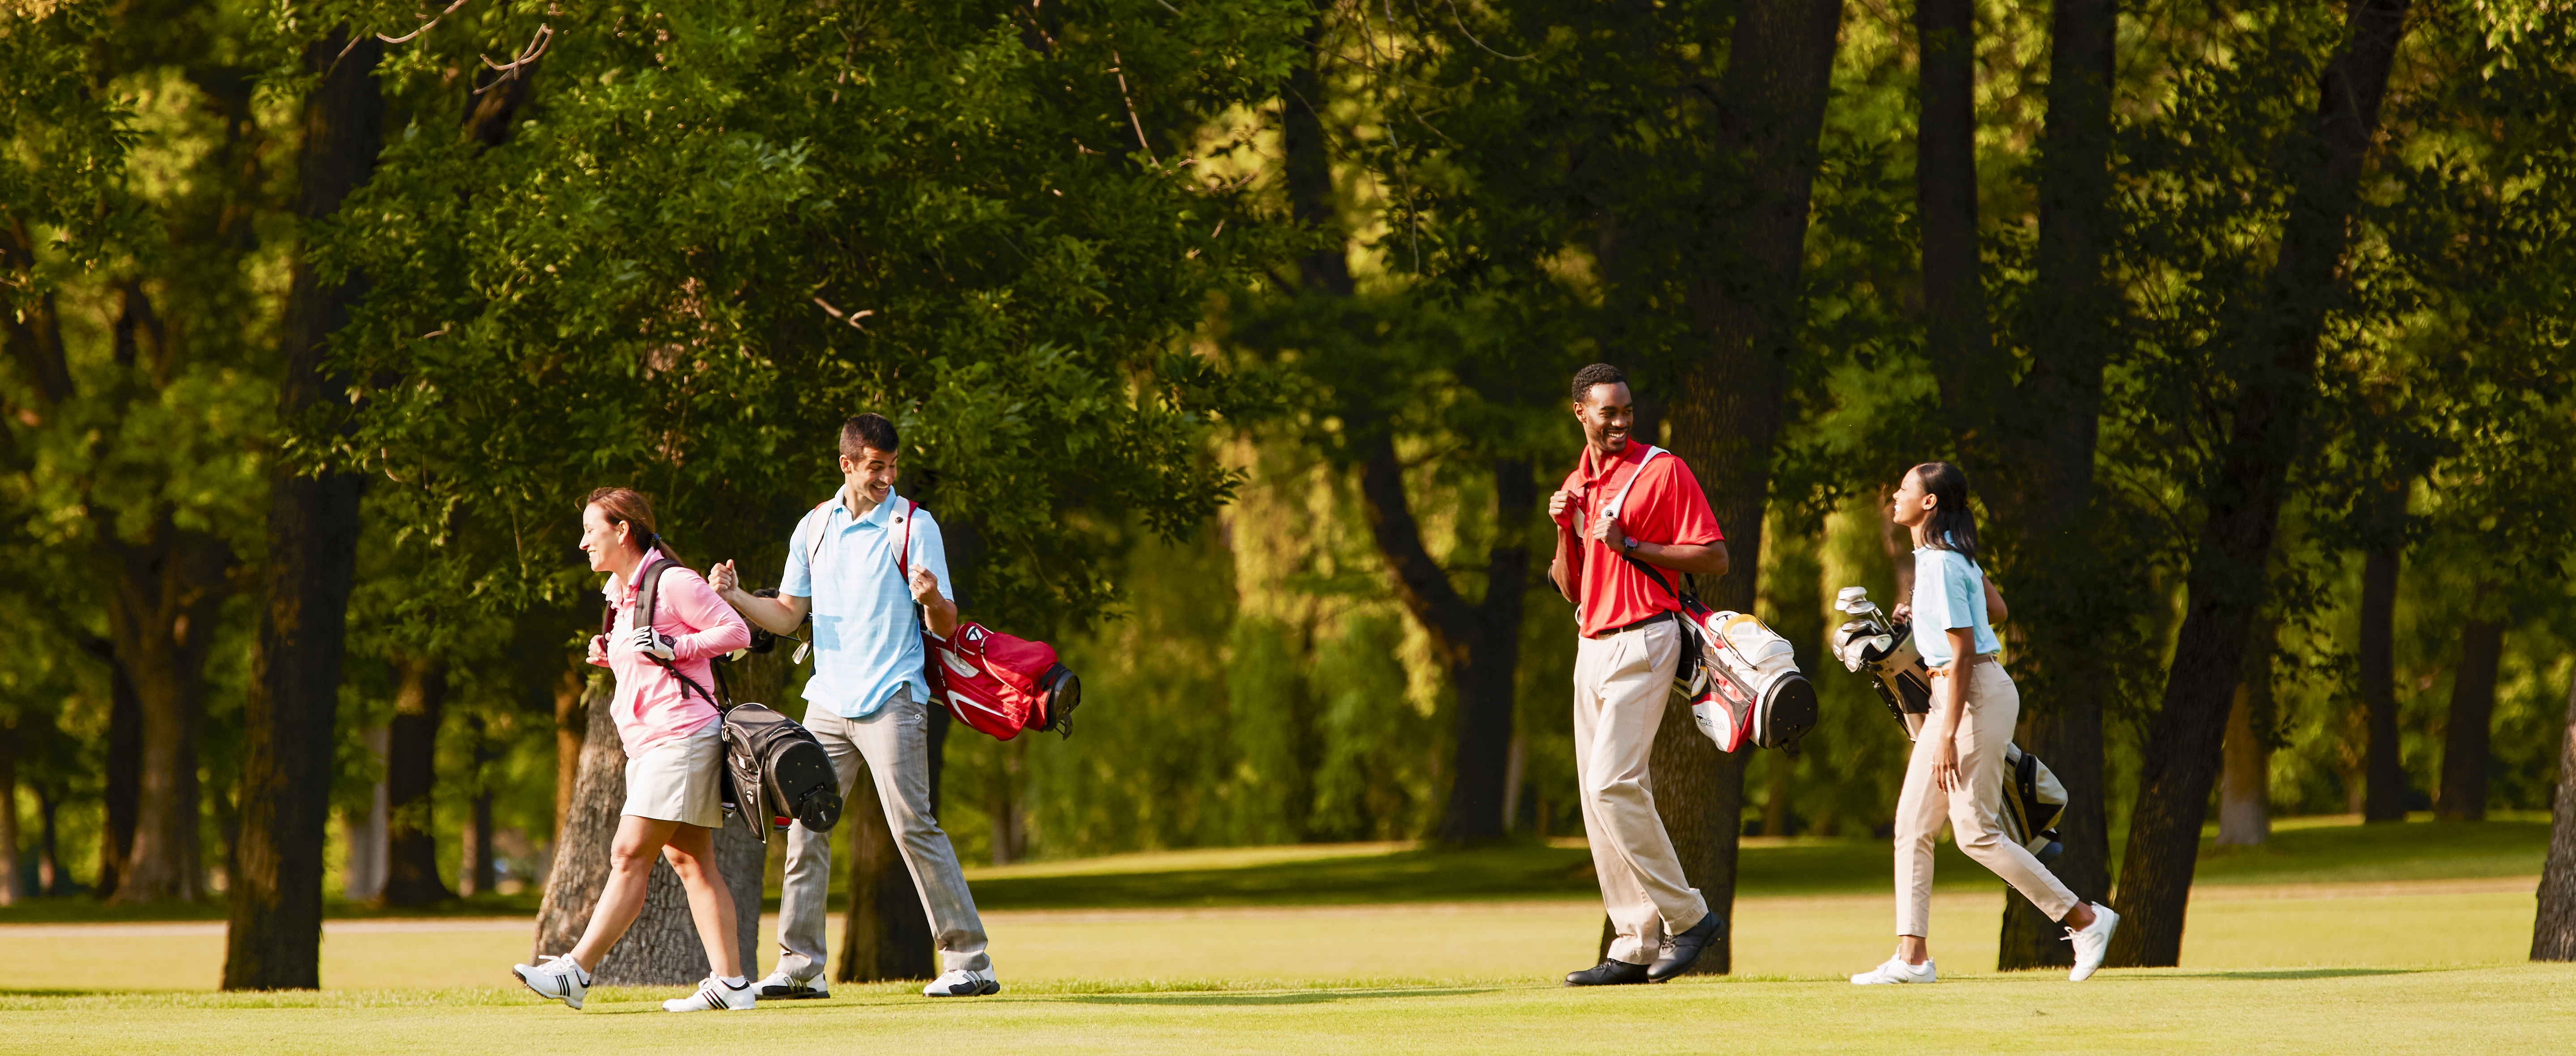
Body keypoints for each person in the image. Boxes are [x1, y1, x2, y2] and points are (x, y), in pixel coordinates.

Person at [710, 413, 999, 998]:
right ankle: (800, 967)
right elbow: (789, 616)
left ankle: (969, 961)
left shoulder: (915, 526)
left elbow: (946, 623)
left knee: (913, 826)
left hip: (894, 697)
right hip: (828, 704)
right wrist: (737, 597)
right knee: (803, 828)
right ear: (847, 464)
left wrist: (932, 598)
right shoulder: (814, 527)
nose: (887, 477)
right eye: (876, 467)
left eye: (892, 466)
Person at [1850, 461, 2119, 986]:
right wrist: (1922, 616)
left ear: (1928, 503)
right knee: (1911, 825)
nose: (1895, 496)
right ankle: (1911, 957)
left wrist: (1948, 734)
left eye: (1905, 489)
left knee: (1974, 832)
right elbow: (1995, 608)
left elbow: (1965, 650)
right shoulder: (1946, 559)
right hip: (1956, 692)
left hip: (1969, 694)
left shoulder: (1942, 565)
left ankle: (2085, 918)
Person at [513, 487, 756, 1012]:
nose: (583, 542)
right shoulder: (622, 590)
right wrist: (614, 654)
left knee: (628, 853)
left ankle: (576, 969)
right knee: (692, 858)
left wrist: (677, 648)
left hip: (681, 735)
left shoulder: (672, 580)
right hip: (649, 742)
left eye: (590, 530)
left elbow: (736, 631)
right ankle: (732, 983)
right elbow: (650, 652)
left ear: (622, 530)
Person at [1546, 363, 1733, 986]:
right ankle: (1632, 941)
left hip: (1645, 636)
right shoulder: (1580, 481)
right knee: (1597, 800)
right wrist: (1563, 529)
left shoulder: (1662, 470)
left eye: (1626, 410)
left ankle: (1690, 917)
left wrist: (1632, 546)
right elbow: (1569, 584)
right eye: (1608, 412)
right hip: (1591, 644)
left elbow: (1714, 556)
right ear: (1581, 413)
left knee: (1611, 785)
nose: (1621, 421)